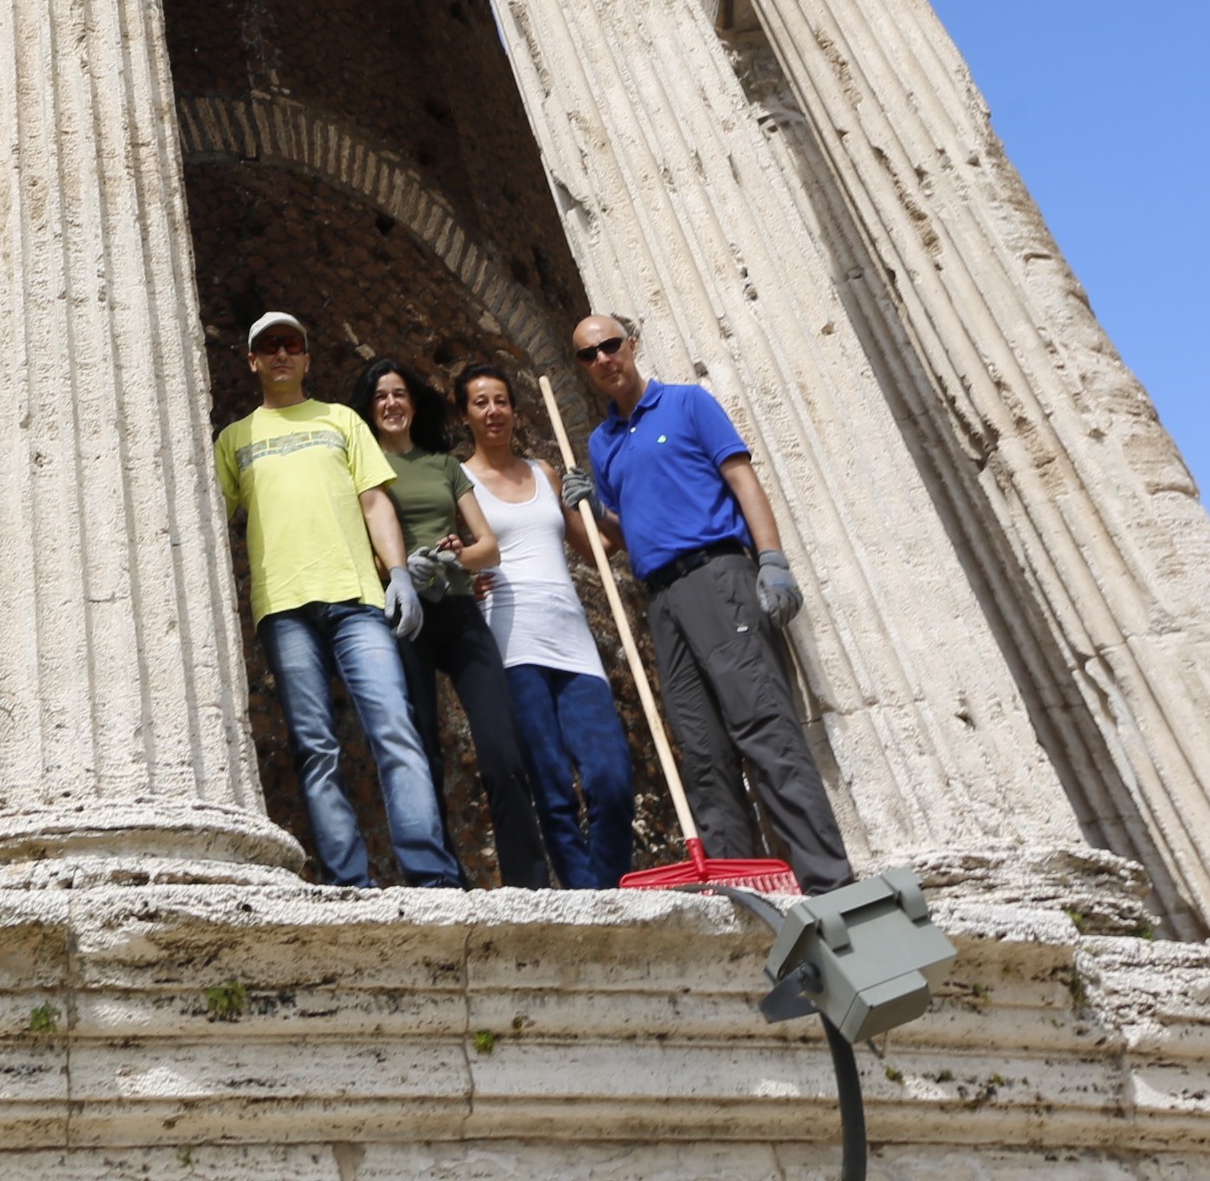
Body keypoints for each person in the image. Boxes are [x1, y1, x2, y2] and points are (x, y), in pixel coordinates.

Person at [566, 312, 850, 889]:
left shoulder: (687, 404)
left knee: (763, 727)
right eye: (588, 355)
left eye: (610, 345)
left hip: (716, 576)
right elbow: (626, 536)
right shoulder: (603, 444)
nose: (603, 359)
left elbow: (742, 479)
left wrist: (771, 560)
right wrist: (595, 509)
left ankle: (826, 882)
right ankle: (737, 884)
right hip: (662, 598)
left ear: (632, 345)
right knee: (701, 748)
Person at [212, 311, 460, 888]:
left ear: (306, 358)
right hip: (282, 606)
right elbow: (212, 520)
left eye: (291, 344)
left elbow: (375, 503)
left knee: (395, 728)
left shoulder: (342, 421)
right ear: (252, 360)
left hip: (356, 597)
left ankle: (432, 876)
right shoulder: (234, 438)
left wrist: (398, 574)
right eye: (268, 346)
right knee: (315, 746)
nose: (280, 354)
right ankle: (350, 881)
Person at [353, 355, 552, 889]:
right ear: (370, 410)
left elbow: (488, 547)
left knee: (502, 746)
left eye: (399, 394)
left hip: (460, 610)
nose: (391, 404)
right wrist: (397, 567)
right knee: (421, 747)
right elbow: (359, 540)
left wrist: (452, 556)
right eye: (380, 397)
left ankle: (528, 881)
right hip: (404, 616)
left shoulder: (444, 465)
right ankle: (443, 881)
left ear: (414, 403)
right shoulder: (361, 465)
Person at [455, 363, 638, 886]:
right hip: (512, 640)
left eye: (501, 401)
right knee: (553, 785)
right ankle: (585, 898)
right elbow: (451, 559)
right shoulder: (459, 479)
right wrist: (463, 582)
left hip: (571, 636)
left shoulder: (545, 472)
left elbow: (603, 548)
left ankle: (609, 891)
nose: (494, 411)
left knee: (609, 776)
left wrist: (598, 506)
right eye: (481, 403)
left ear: (515, 409)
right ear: (465, 415)